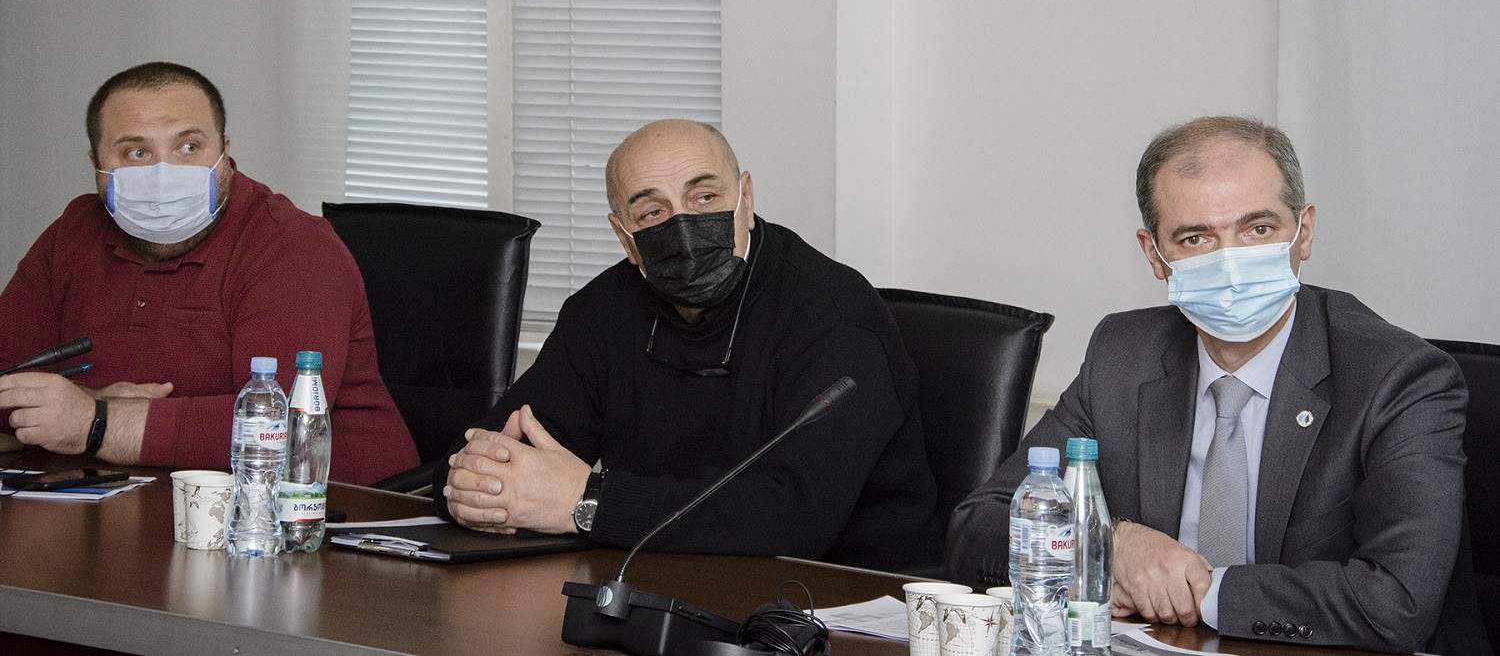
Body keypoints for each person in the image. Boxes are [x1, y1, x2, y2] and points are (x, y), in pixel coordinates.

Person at [947, 115, 1487, 654]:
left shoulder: (1398, 376)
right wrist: (1113, 544)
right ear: (1154, 255)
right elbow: (979, 524)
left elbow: (1398, 600)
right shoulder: (1123, 354)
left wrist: (1202, 592)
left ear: (1304, 231)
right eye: (1196, 237)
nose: (1231, 262)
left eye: (1258, 229)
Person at [437, 119, 943, 574]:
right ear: (625, 238)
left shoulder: (835, 318)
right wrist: (479, 486)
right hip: (657, 581)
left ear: (747, 200)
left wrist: (589, 501)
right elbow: (477, 458)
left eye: (704, 198)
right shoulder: (602, 311)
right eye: (653, 211)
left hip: (846, 602)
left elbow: (795, 517)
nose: (682, 227)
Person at [0, 62, 418, 486]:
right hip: (133, 496)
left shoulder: (291, 244)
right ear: (97, 163)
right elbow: (5, 377)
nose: (164, 175)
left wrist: (96, 423)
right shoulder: (74, 231)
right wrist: (86, 402)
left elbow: (278, 426)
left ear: (223, 150)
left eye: (189, 147)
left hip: (339, 505)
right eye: (136, 153)